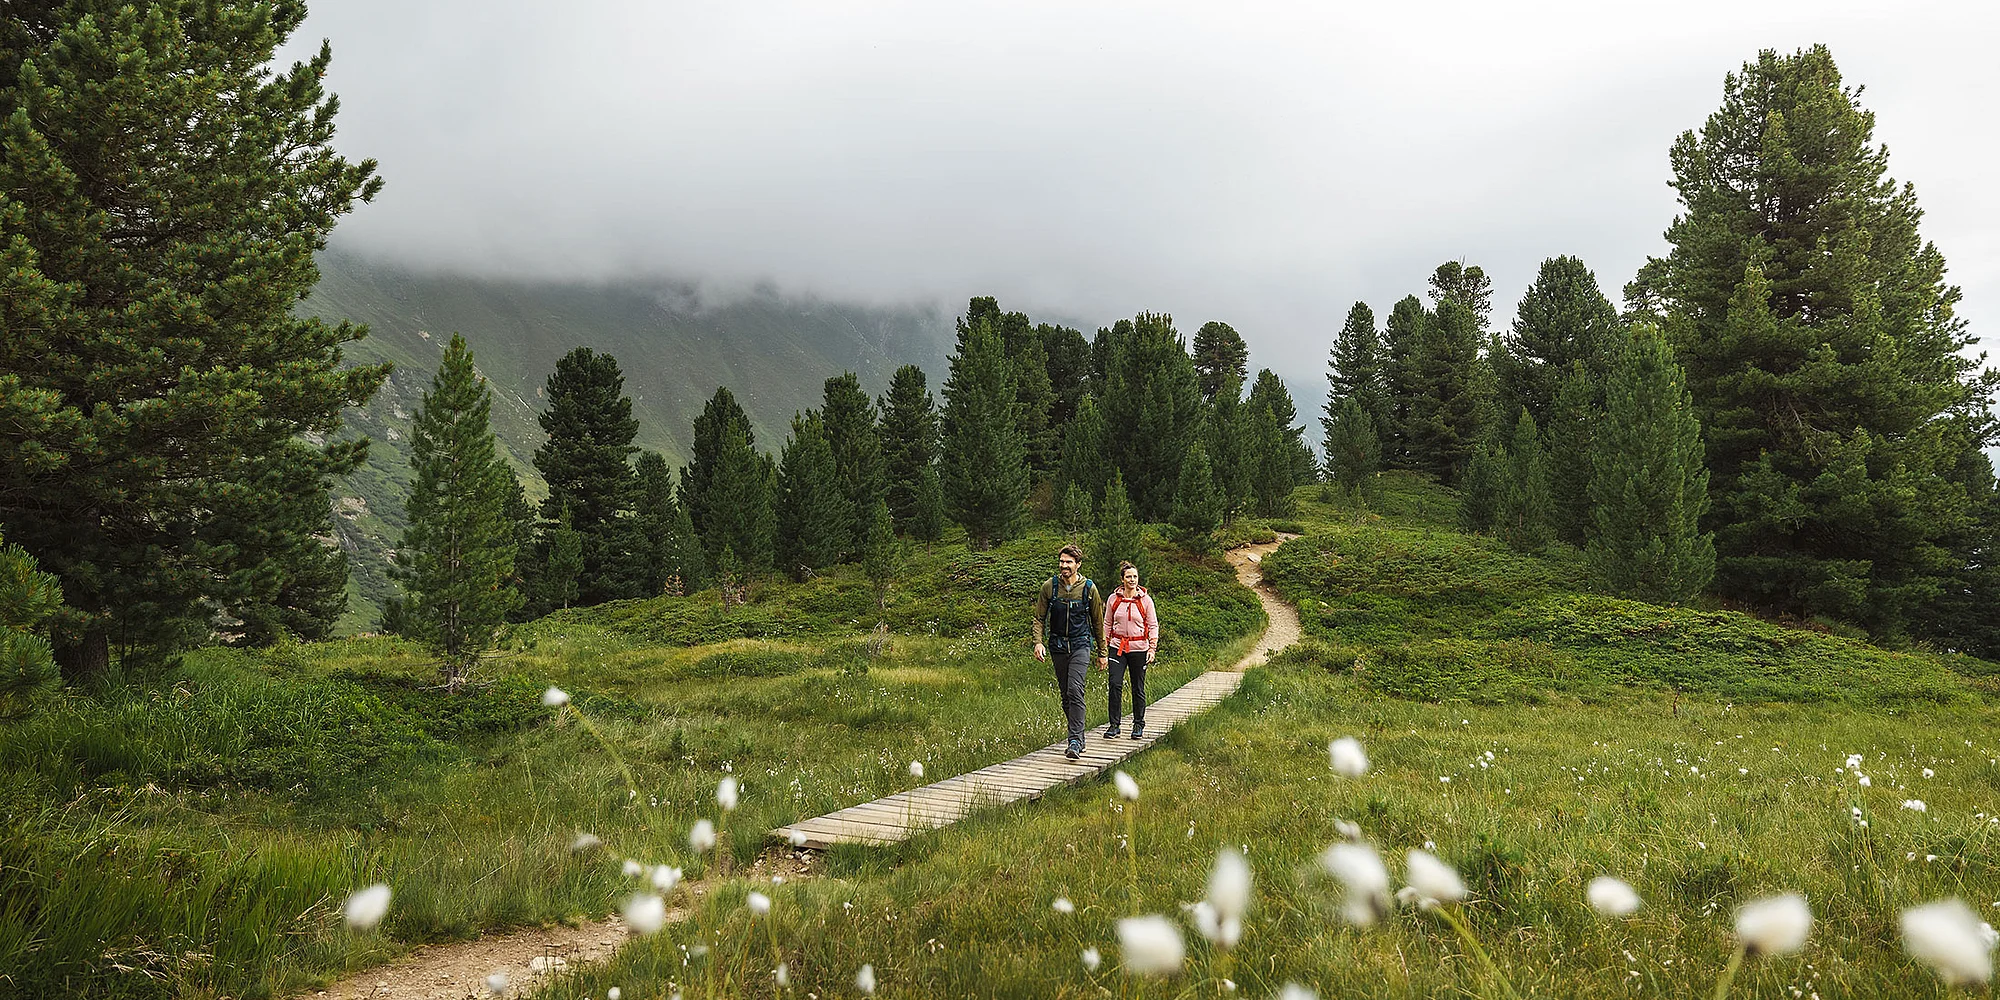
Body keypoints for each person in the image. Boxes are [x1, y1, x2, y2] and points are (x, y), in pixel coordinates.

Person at [1032, 543, 1106, 759]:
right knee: (1066, 695)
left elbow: (1098, 622)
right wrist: (1038, 642)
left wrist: (1102, 653)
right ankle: (1079, 736)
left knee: (1075, 689)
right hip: (1057, 646)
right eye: (1062, 561)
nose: (1064, 565)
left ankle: (1074, 740)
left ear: (1078, 564)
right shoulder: (1049, 587)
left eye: (1069, 562)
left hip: (1081, 644)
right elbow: (1039, 618)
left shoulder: (1089, 589)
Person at [1103, 561, 1158, 740]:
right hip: (1117, 647)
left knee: (1138, 687)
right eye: (1128, 577)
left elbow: (1152, 624)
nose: (1132, 580)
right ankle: (1114, 725)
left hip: (1139, 648)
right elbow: (1107, 623)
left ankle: (1138, 724)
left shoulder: (1145, 600)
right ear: (1122, 579)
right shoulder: (1113, 599)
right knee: (1115, 684)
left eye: (1135, 576)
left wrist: (1152, 648)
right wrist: (1103, 648)